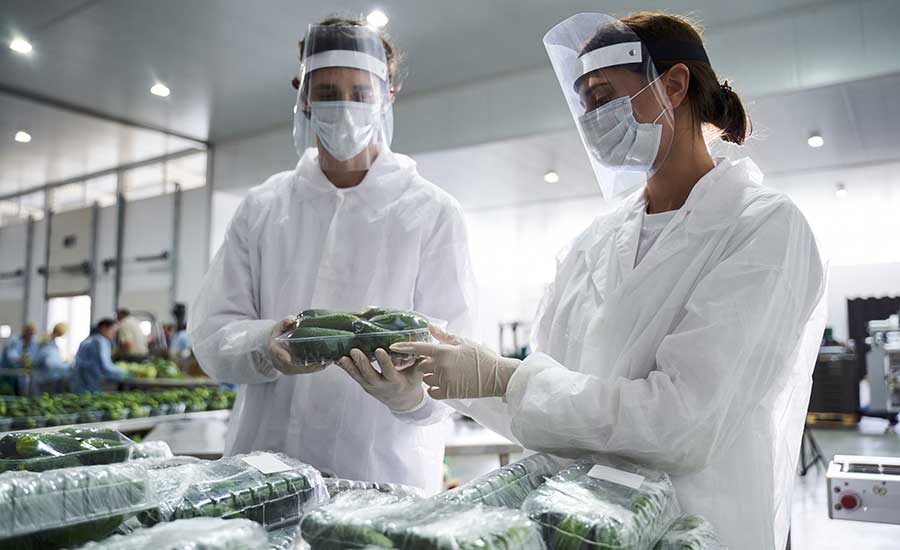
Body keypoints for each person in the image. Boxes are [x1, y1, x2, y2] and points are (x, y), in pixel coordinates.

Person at [345, 12, 827, 550]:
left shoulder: (763, 228)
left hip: (698, 531)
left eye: (604, 96)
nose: (593, 117)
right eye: (586, 104)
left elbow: (682, 424)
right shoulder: (594, 242)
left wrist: (502, 377)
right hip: (580, 530)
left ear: (673, 84)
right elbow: (548, 409)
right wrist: (433, 382)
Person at [190, 17, 476, 494]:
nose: (344, 106)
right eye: (326, 92)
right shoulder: (263, 208)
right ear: (301, 98)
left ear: (389, 96)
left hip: (382, 480)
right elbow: (211, 334)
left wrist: (410, 397)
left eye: (360, 92)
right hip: (262, 476)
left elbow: (460, 358)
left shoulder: (432, 213)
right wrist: (266, 346)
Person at [71, 318, 129, 393]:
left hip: (79, 382)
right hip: (92, 381)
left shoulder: (89, 340)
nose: (114, 334)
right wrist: (124, 373)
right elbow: (106, 366)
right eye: (112, 330)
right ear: (104, 328)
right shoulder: (101, 342)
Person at [32, 323, 72, 395]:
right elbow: (51, 364)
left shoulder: (48, 343)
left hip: (43, 378)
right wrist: (68, 366)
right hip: (47, 379)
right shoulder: (49, 346)